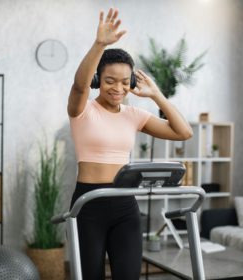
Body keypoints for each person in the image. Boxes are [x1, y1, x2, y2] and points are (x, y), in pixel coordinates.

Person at [67, 8, 193, 280]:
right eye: (110, 81)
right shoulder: (83, 110)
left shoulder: (135, 115)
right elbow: (79, 86)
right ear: (99, 79)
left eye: (126, 82)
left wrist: (157, 95)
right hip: (89, 203)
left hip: (125, 205)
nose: (118, 88)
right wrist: (100, 44)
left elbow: (183, 132)